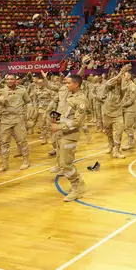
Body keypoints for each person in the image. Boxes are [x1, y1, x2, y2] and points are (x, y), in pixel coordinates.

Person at [52, 73, 89, 202]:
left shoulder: (81, 100)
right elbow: (64, 113)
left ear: (76, 84)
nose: (66, 85)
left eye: (68, 83)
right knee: (64, 163)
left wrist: (59, 127)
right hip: (63, 133)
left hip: (70, 135)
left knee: (65, 164)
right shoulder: (70, 96)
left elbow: (77, 122)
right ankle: (78, 185)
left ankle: (77, 188)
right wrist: (55, 121)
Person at [0, 74, 31, 172]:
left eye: (11, 79)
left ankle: (26, 161)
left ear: (15, 80)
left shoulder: (22, 90)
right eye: (7, 79)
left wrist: (28, 114)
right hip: (5, 119)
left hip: (18, 118)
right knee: (4, 142)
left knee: (22, 140)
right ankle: (4, 164)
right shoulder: (1, 91)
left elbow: (28, 102)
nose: (9, 81)